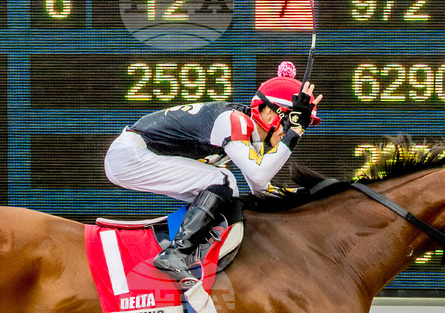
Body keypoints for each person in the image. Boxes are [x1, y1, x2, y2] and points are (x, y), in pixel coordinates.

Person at [104, 61, 322, 285]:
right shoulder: (234, 121)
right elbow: (258, 176)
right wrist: (295, 132)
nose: (288, 135)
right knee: (223, 179)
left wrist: (303, 197)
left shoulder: (245, 129)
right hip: (130, 156)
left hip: (136, 156)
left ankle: (190, 252)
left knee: (228, 193)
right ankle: (176, 255)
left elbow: (260, 188)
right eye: (288, 125)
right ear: (268, 113)